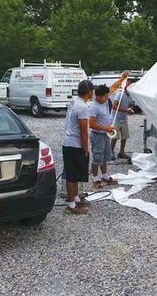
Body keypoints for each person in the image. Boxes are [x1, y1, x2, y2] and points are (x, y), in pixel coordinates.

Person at [62, 79, 94, 215]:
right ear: (89, 92)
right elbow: (83, 132)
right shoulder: (82, 107)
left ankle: (75, 198)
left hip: (68, 142)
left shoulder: (75, 101)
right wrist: (86, 149)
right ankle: (71, 204)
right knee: (72, 174)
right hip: (75, 144)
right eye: (92, 90)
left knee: (74, 173)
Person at [88, 84, 116, 189]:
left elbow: (113, 87)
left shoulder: (104, 99)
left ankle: (104, 176)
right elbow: (91, 124)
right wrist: (106, 128)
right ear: (98, 96)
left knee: (104, 157)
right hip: (97, 135)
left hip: (105, 135)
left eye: (107, 96)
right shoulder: (94, 106)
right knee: (97, 158)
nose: (107, 98)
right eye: (105, 96)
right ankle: (95, 179)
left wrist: (123, 78)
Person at [111, 80, 134, 159]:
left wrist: (131, 109)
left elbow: (131, 105)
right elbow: (114, 106)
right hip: (116, 118)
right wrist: (126, 110)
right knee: (115, 136)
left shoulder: (130, 96)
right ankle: (111, 152)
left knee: (124, 136)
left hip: (124, 118)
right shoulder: (120, 94)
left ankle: (121, 152)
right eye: (128, 85)